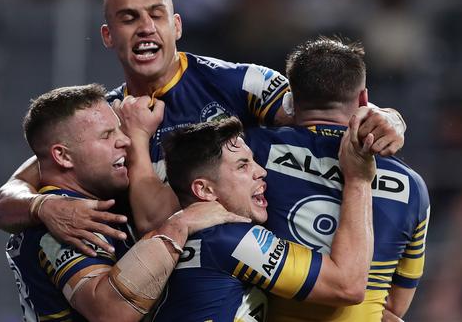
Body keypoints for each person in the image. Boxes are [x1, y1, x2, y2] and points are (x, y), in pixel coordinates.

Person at [0, 0, 406, 254]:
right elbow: (5, 202)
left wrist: (388, 116)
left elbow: (326, 111)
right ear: (107, 36)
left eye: (156, 15)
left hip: (247, 280)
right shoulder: (103, 122)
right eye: (129, 19)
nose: (146, 28)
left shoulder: (239, 83)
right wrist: (43, 208)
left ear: (177, 26)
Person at [6, 84, 249, 321]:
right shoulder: (64, 223)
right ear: (63, 156)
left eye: (119, 130)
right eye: (107, 135)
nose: (125, 141)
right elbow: (110, 313)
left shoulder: (86, 203)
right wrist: (179, 224)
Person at [244, 37, 431, 321]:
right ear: (364, 100)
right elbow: (393, 308)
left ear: (291, 100)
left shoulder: (251, 151)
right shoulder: (411, 185)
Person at [150, 116, 375, 321]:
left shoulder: (188, 238)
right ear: (205, 190)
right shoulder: (228, 239)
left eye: (253, 160)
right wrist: (359, 181)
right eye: (243, 165)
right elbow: (347, 285)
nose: (261, 171)